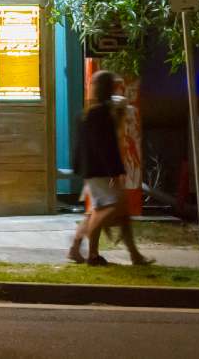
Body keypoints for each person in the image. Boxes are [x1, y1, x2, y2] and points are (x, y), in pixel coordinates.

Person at [67, 71, 153, 266]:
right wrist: (115, 171)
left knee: (115, 213)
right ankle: (92, 253)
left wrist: (79, 168)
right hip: (102, 171)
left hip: (91, 171)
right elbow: (107, 145)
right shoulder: (102, 114)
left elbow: (80, 145)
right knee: (110, 209)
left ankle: (130, 255)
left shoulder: (85, 113)